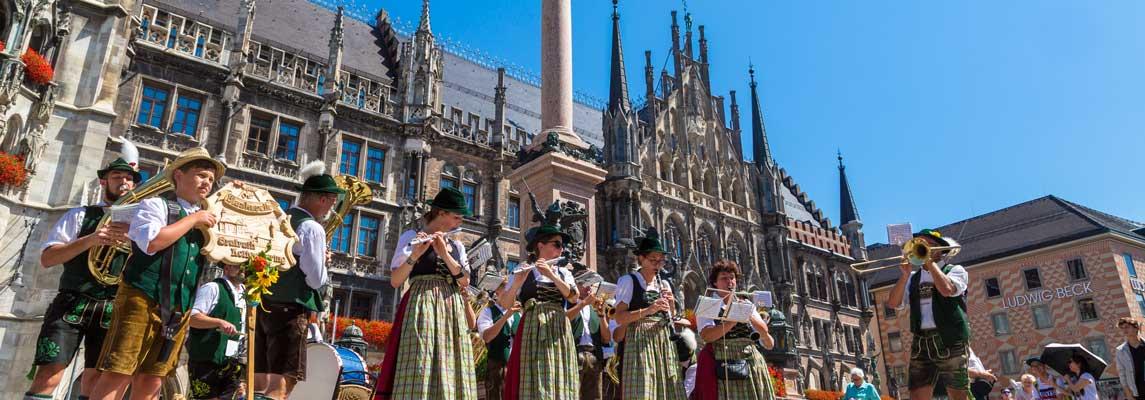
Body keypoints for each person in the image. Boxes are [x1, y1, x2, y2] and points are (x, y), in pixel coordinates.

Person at [90, 147, 225, 400]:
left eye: (210, 178)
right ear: (178, 176)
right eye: (200, 175)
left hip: (178, 308)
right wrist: (194, 220)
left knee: (153, 378)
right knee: (118, 372)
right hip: (142, 297)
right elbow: (153, 242)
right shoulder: (157, 205)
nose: (207, 182)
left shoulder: (205, 218)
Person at [25, 155, 140, 400]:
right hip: (72, 303)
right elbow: (48, 259)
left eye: (129, 178)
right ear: (103, 182)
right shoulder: (80, 214)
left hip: (112, 307)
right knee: (49, 373)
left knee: (97, 381)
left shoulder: (141, 225)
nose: (124, 182)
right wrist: (91, 239)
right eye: (117, 177)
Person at [377, 187, 476, 399]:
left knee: (452, 361)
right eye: (456, 217)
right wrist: (415, 254)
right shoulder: (411, 236)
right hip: (423, 305)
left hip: (452, 309)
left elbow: (465, 281)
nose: (460, 222)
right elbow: (395, 281)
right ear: (441, 213)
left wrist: (445, 255)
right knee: (420, 357)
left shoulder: (457, 246)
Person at [253, 160, 339, 399]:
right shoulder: (312, 228)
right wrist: (323, 263)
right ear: (322, 199)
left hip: (265, 304)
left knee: (260, 379)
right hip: (290, 309)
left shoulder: (281, 218)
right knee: (284, 382)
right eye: (332, 202)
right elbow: (314, 278)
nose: (332, 207)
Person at [885, 229, 971, 400]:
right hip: (921, 340)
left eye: (927, 244)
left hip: (949, 338)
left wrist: (930, 264)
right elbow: (893, 303)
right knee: (916, 394)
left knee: (958, 394)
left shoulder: (955, 270)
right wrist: (904, 276)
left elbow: (947, 290)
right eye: (918, 244)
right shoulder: (913, 278)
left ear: (939, 250)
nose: (922, 247)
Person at [499, 218, 579, 399]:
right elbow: (505, 304)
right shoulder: (523, 269)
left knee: (558, 373)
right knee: (532, 372)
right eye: (557, 244)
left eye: (562, 245)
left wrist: (551, 274)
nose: (561, 249)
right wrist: (517, 283)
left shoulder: (564, 272)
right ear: (540, 245)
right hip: (532, 328)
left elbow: (573, 297)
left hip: (558, 327)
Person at [612, 228, 686, 399]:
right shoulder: (628, 281)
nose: (657, 264)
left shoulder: (664, 285)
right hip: (639, 340)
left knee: (666, 390)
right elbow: (620, 316)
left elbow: (671, 318)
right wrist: (648, 310)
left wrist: (671, 305)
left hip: (663, 340)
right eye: (653, 260)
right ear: (641, 258)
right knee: (643, 389)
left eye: (661, 261)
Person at [692, 260, 776, 400]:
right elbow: (707, 336)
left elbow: (766, 337)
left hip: (750, 362)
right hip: (724, 362)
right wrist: (732, 320)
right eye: (724, 278)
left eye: (732, 278)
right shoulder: (708, 304)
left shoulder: (746, 303)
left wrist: (749, 315)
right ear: (715, 283)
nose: (729, 282)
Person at [186, 263, 246, 400]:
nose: (243, 269)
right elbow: (192, 318)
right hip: (205, 359)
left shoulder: (246, 293)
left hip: (231, 361)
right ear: (227, 268)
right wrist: (219, 322)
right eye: (238, 265)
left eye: (245, 266)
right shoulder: (212, 288)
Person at [565, 271, 613, 400]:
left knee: (595, 396)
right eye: (585, 284)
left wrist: (602, 315)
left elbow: (607, 338)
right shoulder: (568, 303)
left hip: (594, 356)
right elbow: (564, 319)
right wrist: (583, 303)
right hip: (574, 354)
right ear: (575, 285)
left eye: (591, 285)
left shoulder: (594, 308)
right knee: (572, 394)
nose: (588, 288)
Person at [477, 279, 521, 400]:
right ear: (497, 291)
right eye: (508, 290)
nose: (512, 294)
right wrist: (506, 316)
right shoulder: (488, 312)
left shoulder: (519, 314)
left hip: (515, 368)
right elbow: (487, 337)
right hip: (497, 368)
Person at [1117, 317, 1145, 400]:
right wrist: (1128, 394)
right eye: (1122, 328)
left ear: (1136, 328)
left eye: (1127, 327)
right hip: (1136, 392)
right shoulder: (1120, 351)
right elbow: (1122, 374)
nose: (1124, 330)